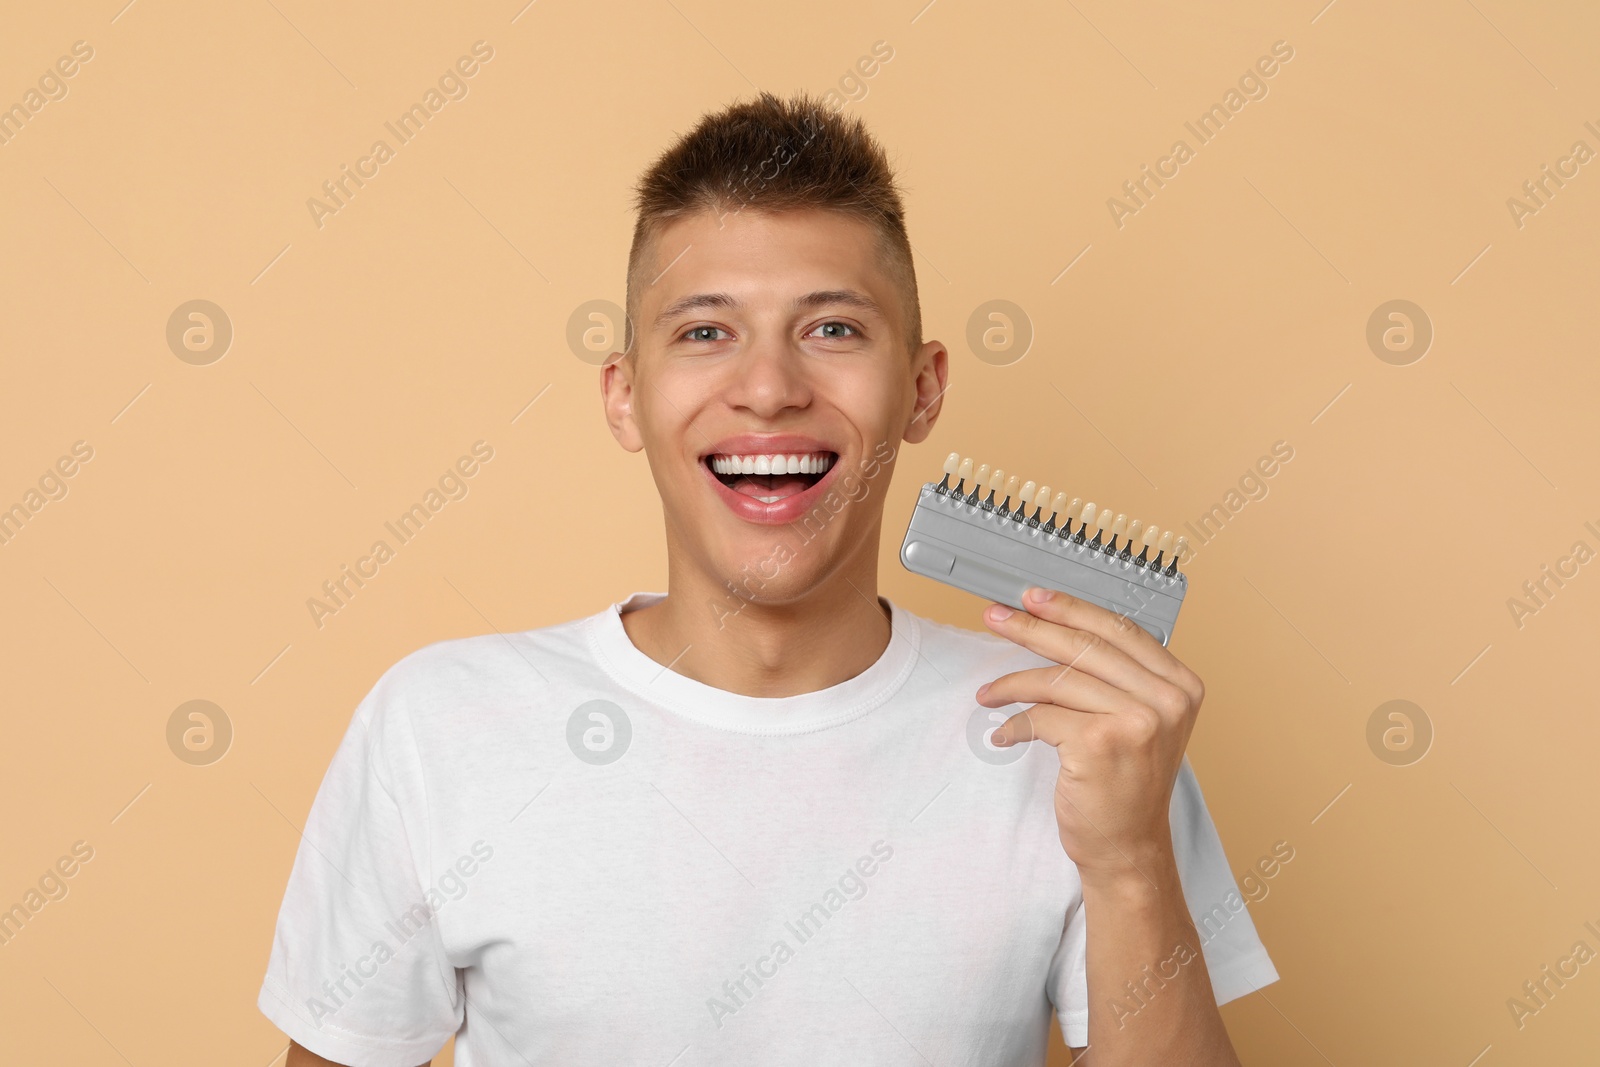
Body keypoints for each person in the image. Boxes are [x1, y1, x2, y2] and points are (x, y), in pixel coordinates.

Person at [259, 91, 1278, 1067]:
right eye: (706, 332)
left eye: (831, 328)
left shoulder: (1075, 732)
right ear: (625, 398)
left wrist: (1132, 858)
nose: (768, 389)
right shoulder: (439, 727)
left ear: (921, 389)